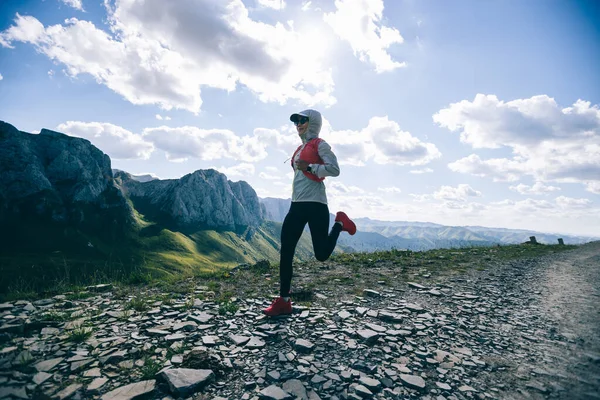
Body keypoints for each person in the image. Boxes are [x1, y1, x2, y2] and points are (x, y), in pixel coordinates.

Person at [263, 109, 356, 317]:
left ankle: (340, 223)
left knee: (321, 255)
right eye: (296, 121)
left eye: (302, 120)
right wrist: (304, 167)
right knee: (286, 249)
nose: (298, 124)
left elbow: (334, 169)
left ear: (313, 122)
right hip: (297, 204)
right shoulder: (299, 148)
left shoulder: (320, 144)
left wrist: (310, 167)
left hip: (316, 205)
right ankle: (284, 301)